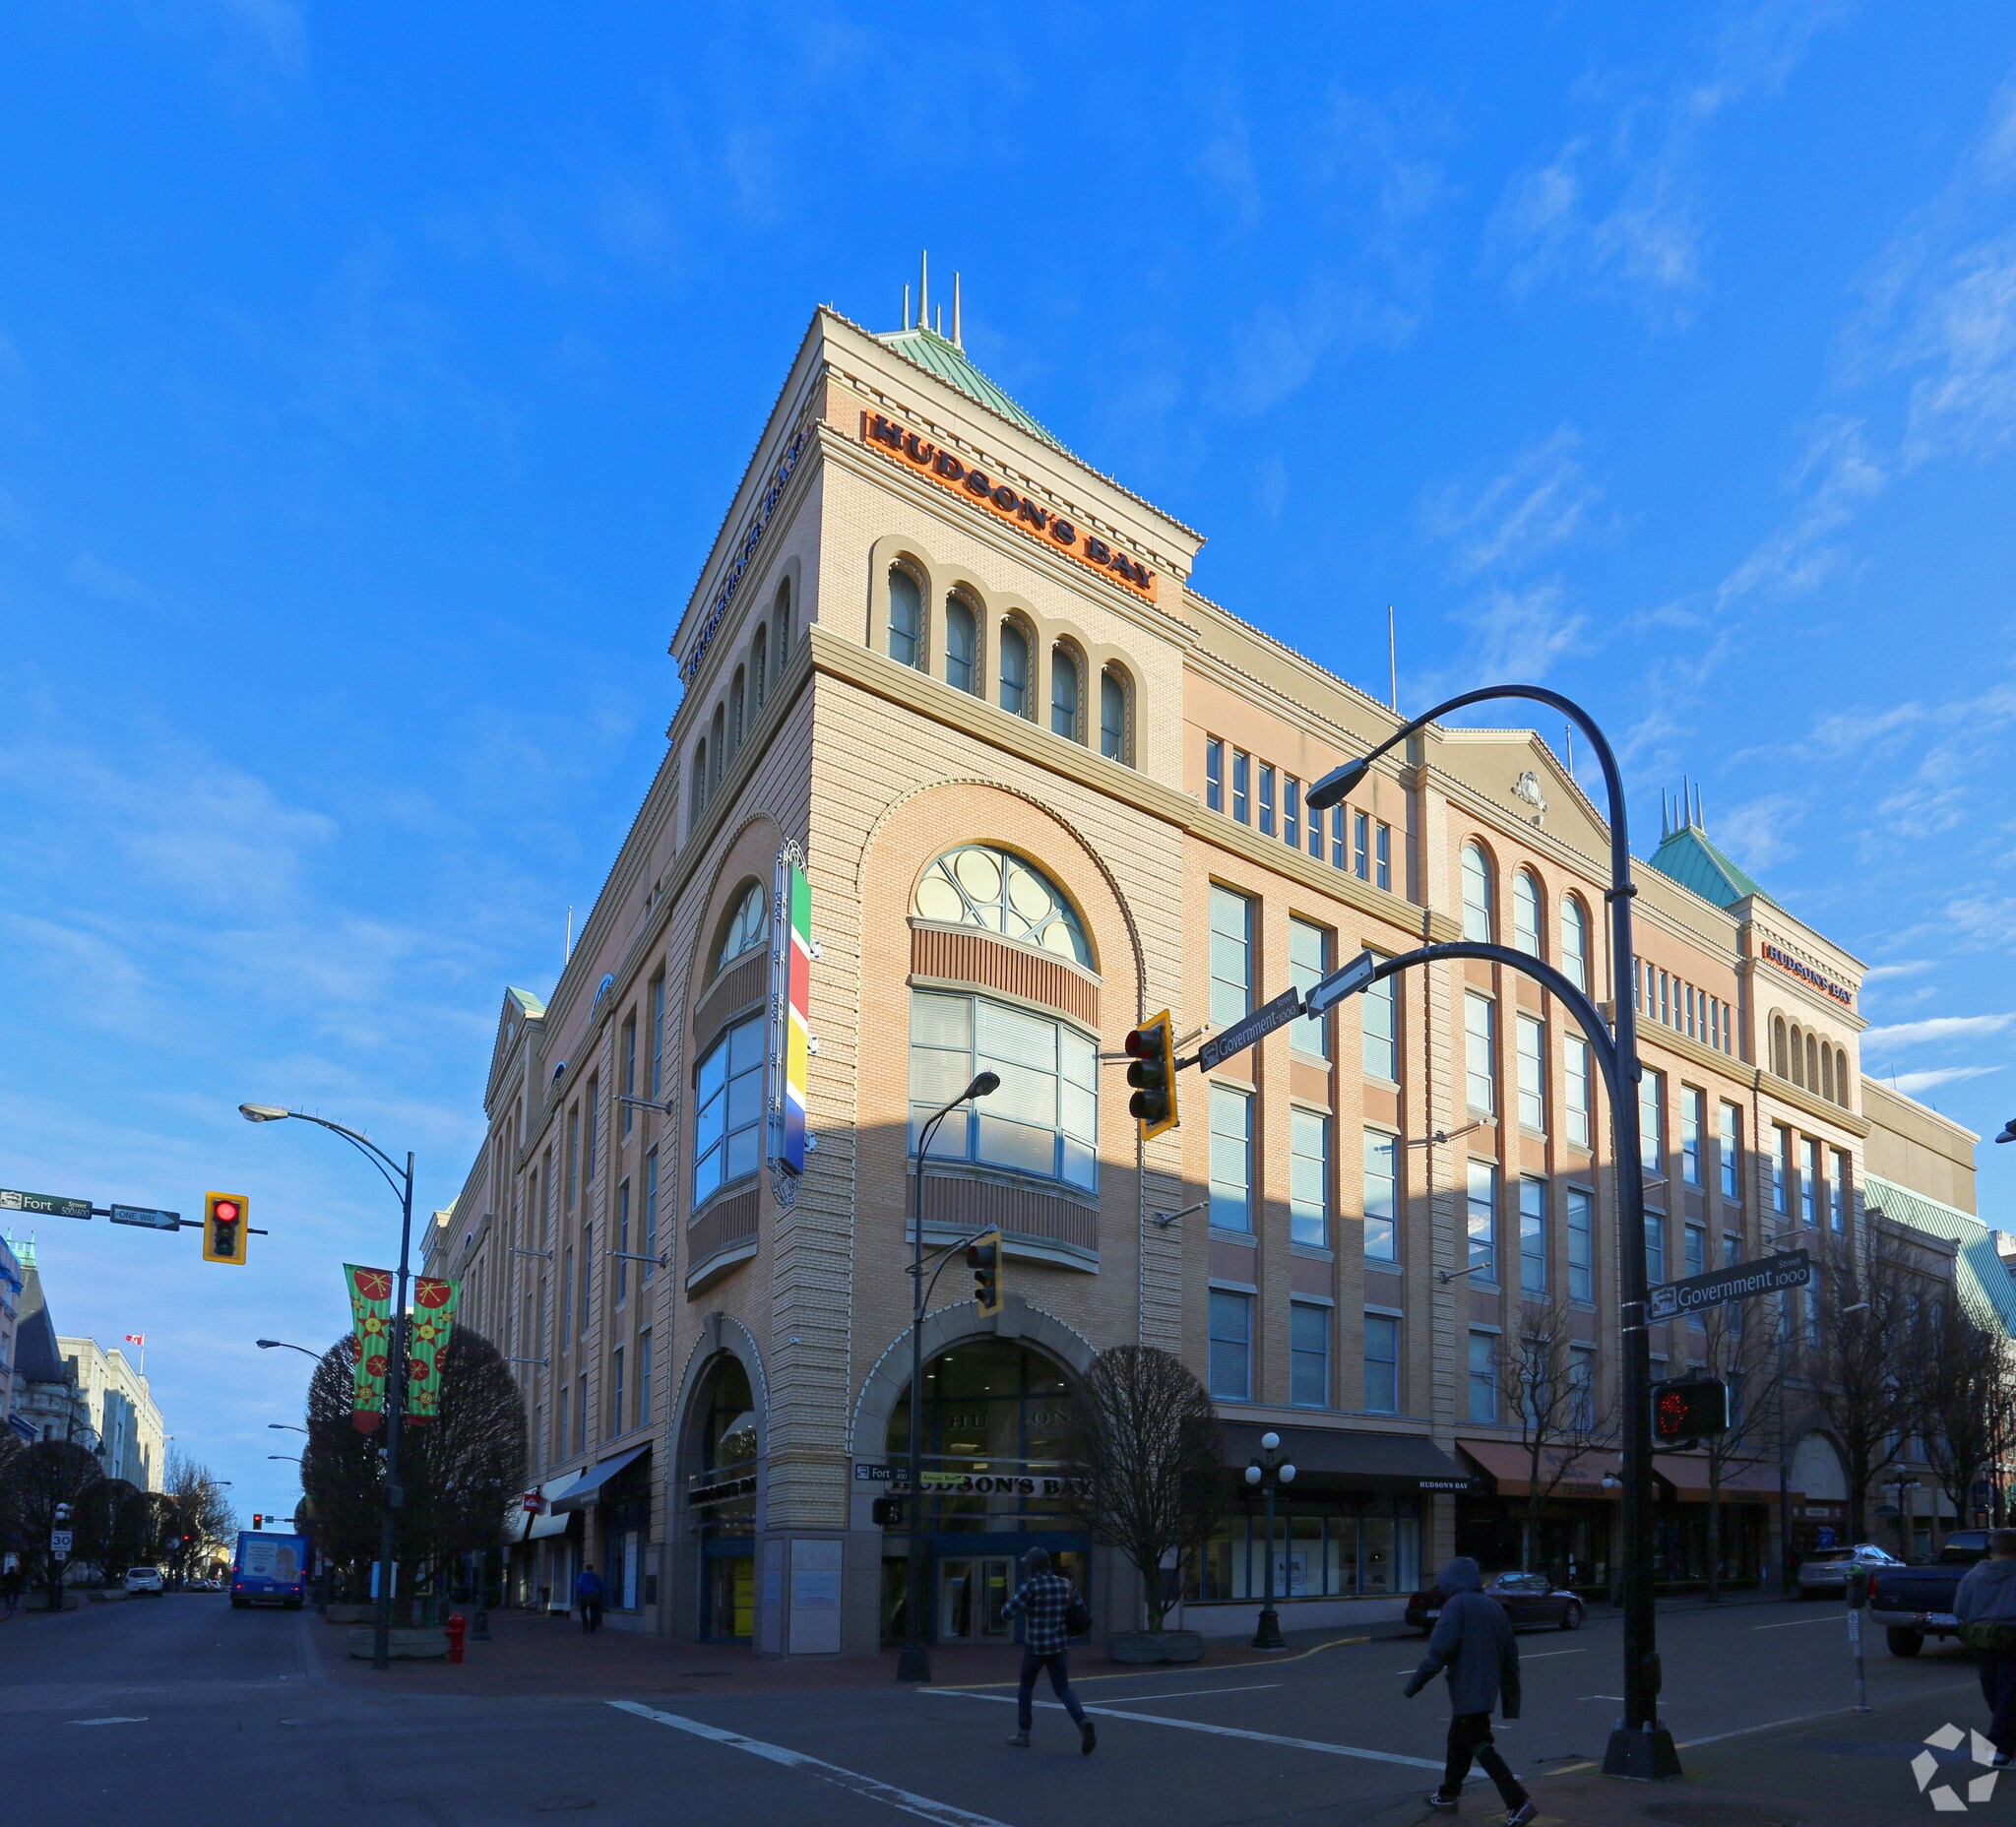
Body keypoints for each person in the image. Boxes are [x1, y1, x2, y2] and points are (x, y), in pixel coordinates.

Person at [1402, 1557, 1536, 1826]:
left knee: (1479, 1743)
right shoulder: (1494, 1608)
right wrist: (1510, 1702)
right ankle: (1448, 1794)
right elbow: (1511, 1658)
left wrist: (1413, 1685)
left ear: (1453, 1582)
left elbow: (1439, 1651)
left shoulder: (1457, 1605)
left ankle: (1518, 1802)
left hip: (1467, 1692)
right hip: (1485, 1692)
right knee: (1458, 1742)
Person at [998, 1547, 1095, 1754]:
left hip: (1036, 1647)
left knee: (1026, 1688)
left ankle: (1023, 1734)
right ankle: (1082, 1721)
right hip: (1059, 1647)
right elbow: (1080, 1609)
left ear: (1032, 1565)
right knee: (1063, 1689)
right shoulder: (1064, 1584)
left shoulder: (1031, 1586)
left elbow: (1006, 1613)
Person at [1954, 1528, 2016, 1767]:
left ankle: (2002, 1743)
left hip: (1983, 1640)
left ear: (1990, 1550)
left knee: (1996, 1693)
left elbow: (1960, 1610)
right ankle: (2001, 1745)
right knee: (2009, 1694)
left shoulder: (1973, 1576)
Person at [574, 1562, 603, 1633]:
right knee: (593, 1612)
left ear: (586, 1569)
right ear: (592, 1569)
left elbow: (579, 1586)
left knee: (583, 1611)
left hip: (585, 1595)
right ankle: (593, 1628)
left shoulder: (583, 1576)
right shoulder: (595, 1576)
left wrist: (581, 1594)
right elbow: (600, 1585)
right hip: (594, 1595)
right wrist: (597, 1593)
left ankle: (585, 1627)